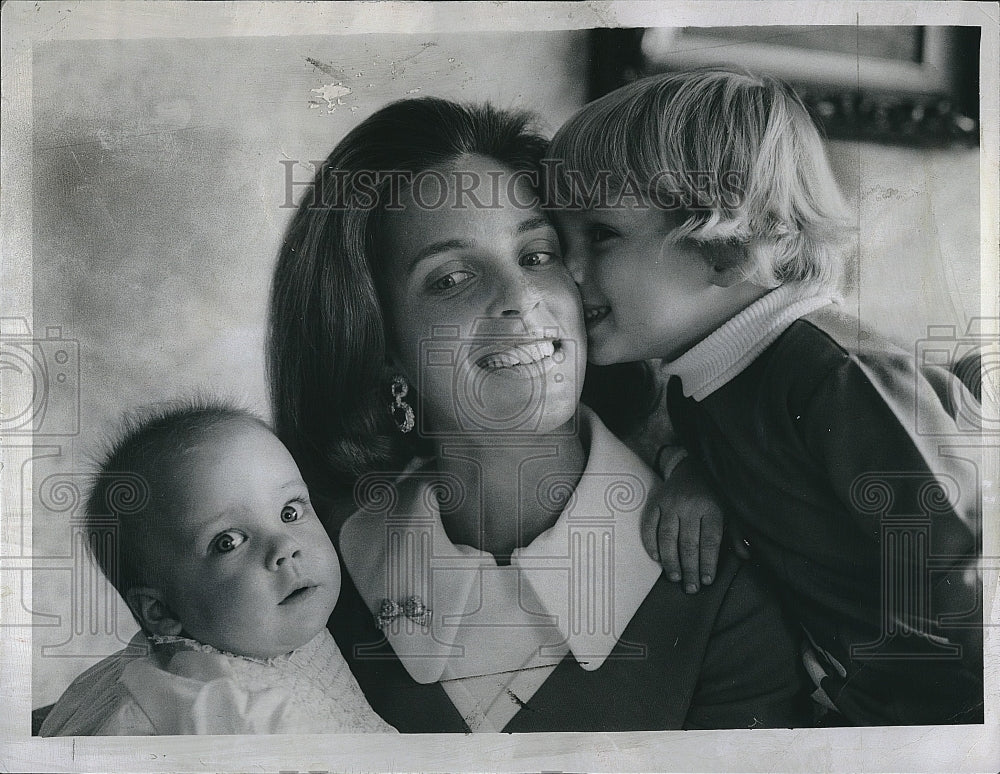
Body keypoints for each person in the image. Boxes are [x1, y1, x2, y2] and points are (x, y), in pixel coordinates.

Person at [267, 96, 811, 732]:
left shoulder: (728, 582)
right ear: (376, 342)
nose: (522, 297)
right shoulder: (311, 576)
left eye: (537, 255)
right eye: (449, 278)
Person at [547, 67, 983, 726]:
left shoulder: (833, 373)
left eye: (600, 234)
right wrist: (689, 471)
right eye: (561, 238)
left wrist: (895, 718)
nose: (568, 268)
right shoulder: (704, 379)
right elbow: (683, 428)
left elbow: (953, 564)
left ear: (727, 245)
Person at [40, 400, 396, 735]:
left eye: (290, 511)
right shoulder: (222, 715)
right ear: (160, 611)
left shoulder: (255, 630)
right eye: (229, 542)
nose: (285, 547)